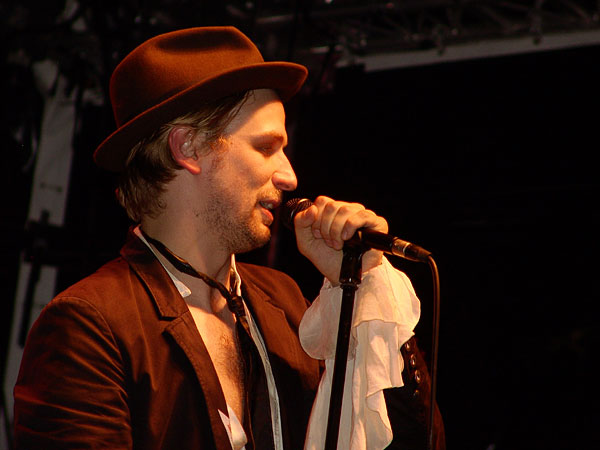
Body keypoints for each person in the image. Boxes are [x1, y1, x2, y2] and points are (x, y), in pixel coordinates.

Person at [13, 26, 444, 449]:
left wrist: (363, 290)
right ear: (189, 148)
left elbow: (411, 441)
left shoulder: (286, 304)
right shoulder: (89, 325)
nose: (289, 176)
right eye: (265, 147)